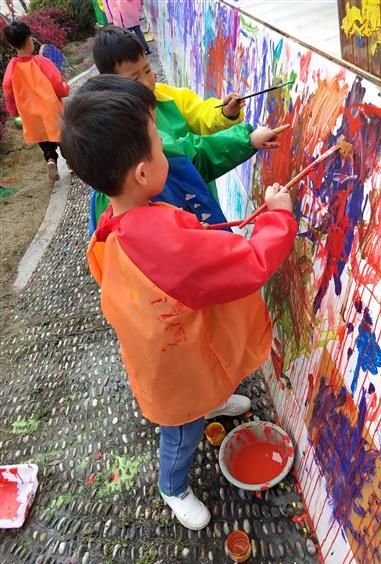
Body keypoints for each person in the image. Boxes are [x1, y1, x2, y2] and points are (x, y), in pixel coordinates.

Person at [61, 77, 298, 530]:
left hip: (168, 340)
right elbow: (250, 262)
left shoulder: (119, 214)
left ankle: (210, 402)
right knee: (181, 429)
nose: (166, 147)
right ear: (142, 173)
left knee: (204, 378)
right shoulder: (160, 243)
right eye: (158, 141)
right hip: (171, 366)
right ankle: (172, 486)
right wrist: (278, 216)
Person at [89, 26, 277, 232]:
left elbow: (198, 131)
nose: (147, 81)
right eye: (135, 79)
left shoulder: (167, 97)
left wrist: (225, 114)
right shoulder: (124, 142)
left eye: (148, 70)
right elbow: (193, 154)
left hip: (196, 207)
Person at [2, 21, 70, 182]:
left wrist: (14, 111)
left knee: (45, 143)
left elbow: (8, 92)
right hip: (51, 110)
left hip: (31, 115)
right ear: (30, 39)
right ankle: (71, 162)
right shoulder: (41, 62)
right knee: (63, 138)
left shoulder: (11, 68)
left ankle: (51, 160)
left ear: (11, 45)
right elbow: (56, 83)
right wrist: (65, 89)